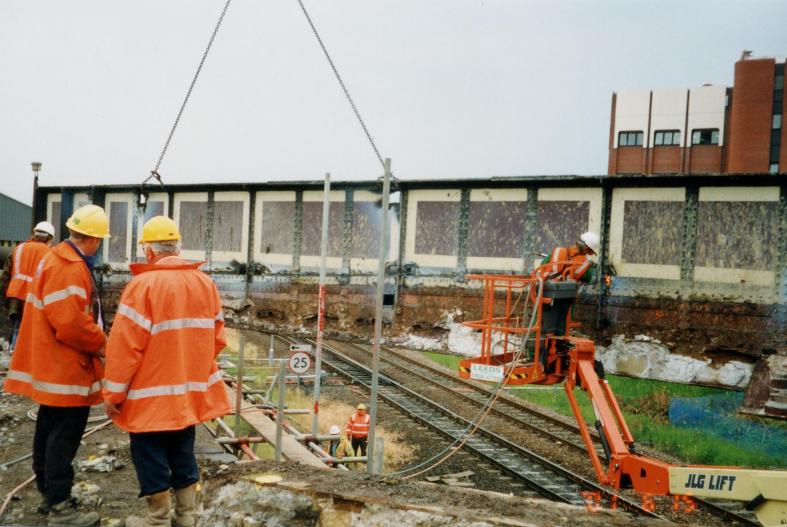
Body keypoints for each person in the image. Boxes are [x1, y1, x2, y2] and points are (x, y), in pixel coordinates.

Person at [102, 216, 231, 527]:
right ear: (178, 247)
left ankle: (158, 520)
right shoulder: (205, 283)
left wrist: (113, 394)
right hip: (186, 394)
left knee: (150, 456)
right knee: (183, 451)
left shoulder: (143, 286)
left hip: (149, 398)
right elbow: (216, 338)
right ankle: (188, 516)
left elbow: (124, 349)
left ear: (148, 251)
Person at [4, 205, 110, 527]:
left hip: (53, 364)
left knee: (48, 429)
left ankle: (49, 495)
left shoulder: (58, 259)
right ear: (93, 239)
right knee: (64, 437)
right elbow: (72, 323)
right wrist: (104, 344)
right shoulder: (68, 267)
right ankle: (61, 506)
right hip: (65, 368)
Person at [2, 221, 55, 350]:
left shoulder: (18, 249)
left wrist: (4, 300)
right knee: (32, 332)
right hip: (34, 298)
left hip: (15, 296)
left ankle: (13, 355)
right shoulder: (50, 254)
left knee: (17, 328)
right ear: (49, 238)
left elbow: (5, 277)